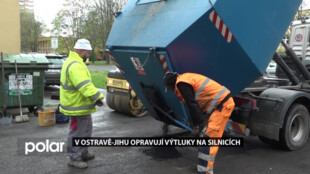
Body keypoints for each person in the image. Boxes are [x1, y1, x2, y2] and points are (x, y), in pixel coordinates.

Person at [163, 72, 235, 174]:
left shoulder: (181, 84)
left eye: (169, 88)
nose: (171, 91)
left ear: (170, 84)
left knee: (208, 140)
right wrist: (198, 124)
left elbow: (192, 104)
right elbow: (194, 106)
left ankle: (206, 172)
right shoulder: (184, 79)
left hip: (222, 106)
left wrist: (201, 124)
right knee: (203, 138)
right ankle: (202, 168)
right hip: (217, 106)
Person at [59, 38, 104, 169]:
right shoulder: (75, 65)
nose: (88, 54)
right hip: (76, 106)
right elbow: (84, 85)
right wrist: (98, 97)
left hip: (80, 106)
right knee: (77, 133)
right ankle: (74, 157)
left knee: (85, 130)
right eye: (87, 52)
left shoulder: (75, 62)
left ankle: (83, 152)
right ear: (81, 50)